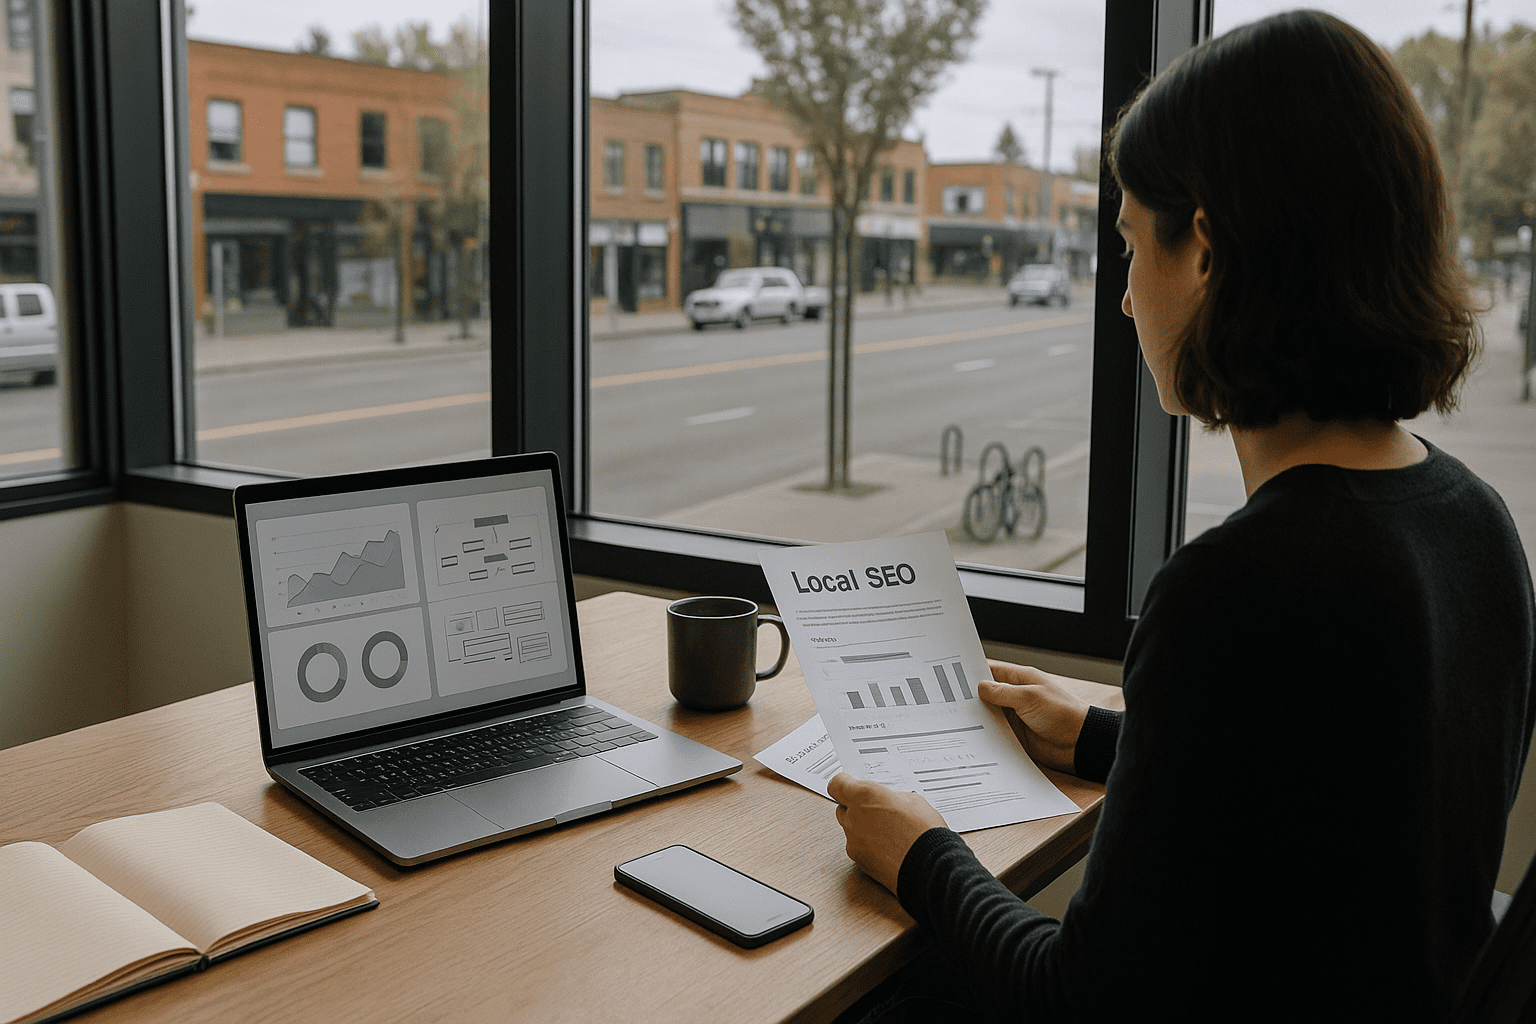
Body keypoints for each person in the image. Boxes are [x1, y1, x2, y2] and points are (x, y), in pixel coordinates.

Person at [827, 10, 1536, 1021]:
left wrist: (921, 853)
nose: (1124, 299)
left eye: (1130, 245)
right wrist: (1111, 738)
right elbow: (1335, 814)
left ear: (1205, 248)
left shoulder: (1238, 589)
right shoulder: (1478, 526)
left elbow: (1077, 996)